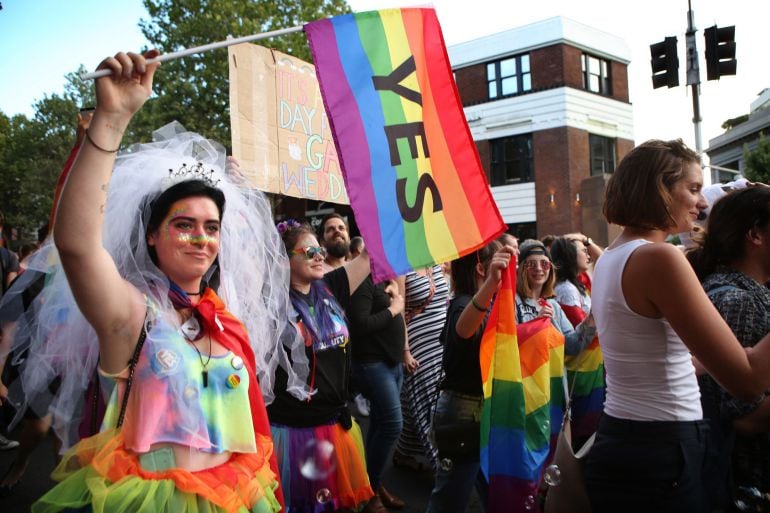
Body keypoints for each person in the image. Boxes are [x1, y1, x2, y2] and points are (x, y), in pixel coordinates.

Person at [9, 50, 288, 513]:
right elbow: (77, 245)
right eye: (184, 225)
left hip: (236, 497)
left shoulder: (226, 321)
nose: (201, 238)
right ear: (154, 236)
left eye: (212, 227)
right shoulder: (133, 315)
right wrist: (111, 120)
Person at [584, 139, 770, 513]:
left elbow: (657, 356)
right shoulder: (658, 258)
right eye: (694, 188)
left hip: (627, 437)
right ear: (659, 190)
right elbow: (747, 379)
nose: (703, 204)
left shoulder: (613, 257)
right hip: (663, 448)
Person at [270, 220, 376, 513]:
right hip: (293, 434)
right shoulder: (269, 303)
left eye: (320, 249)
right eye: (309, 250)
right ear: (284, 258)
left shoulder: (329, 288)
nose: (319, 255)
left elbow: (369, 256)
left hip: (335, 427)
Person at [686, 186, 770, 511]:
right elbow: (742, 418)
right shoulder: (738, 300)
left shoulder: (746, 292)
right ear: (755, 235)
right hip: (748, 486)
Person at [425, 240, 514, 513]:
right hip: (462, 414)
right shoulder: (463, 304)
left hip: (480, 411)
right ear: (481, 269)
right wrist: (491, 284)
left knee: (493, 492)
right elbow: (463, 330)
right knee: (449, 502)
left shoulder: (487, 304)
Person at [347, 270, 409, 510]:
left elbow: (399, 317)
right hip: (372, 364)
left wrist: (404, 351)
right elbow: (360, 325)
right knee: (393, 424)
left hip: (392, 363)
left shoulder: (387, 277)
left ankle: (373, 485)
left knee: (381, 422)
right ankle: (369, 490)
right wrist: (393, 308)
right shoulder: (362, 280)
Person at [393, 264, 450, 472]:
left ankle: (403, 451)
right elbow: (399, 313)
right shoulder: (400, 267)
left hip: (442, 341)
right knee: (429, 402)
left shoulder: (435, 263)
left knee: (422, 399)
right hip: (418, 342)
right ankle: (441, 466)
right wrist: (405, 351)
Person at [514, 239, 595, 356]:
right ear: (521, 269)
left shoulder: (553, 305)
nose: (539, 268)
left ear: (550, 268)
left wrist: (590, 320)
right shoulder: (513, 301)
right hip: (527, 374)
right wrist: (535, 326)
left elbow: (571, 346)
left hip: (553, 374)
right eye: (531, 264)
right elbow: (507, 343)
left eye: (544, 264)